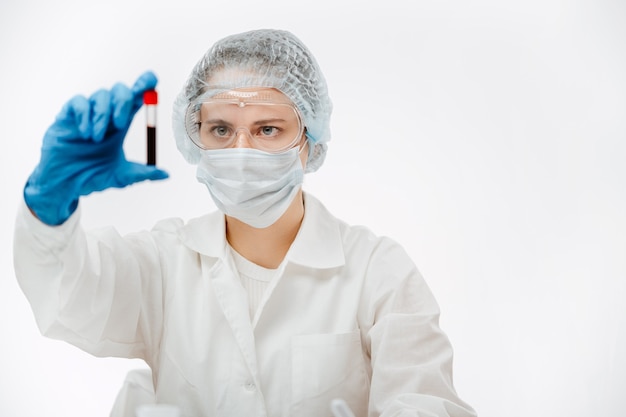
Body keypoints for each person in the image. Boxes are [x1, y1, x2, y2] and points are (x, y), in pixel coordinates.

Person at [13, 29, 476, 417]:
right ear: (194, 138)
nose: (241, 152)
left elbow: (426, 402)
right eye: (221, 129)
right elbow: (67, 297)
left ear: (309, 141)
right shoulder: (162, 262)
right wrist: (48, 201)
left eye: (267, 129)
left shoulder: (379, 272)